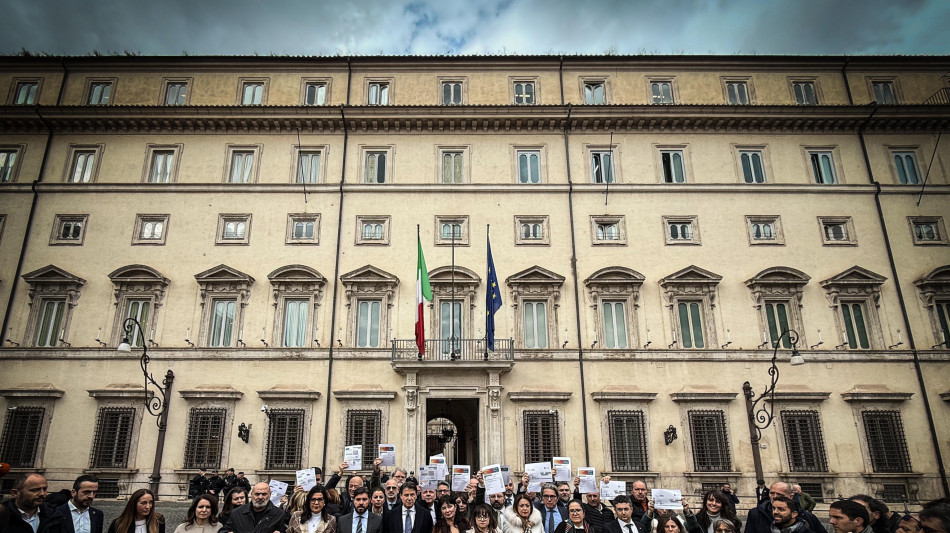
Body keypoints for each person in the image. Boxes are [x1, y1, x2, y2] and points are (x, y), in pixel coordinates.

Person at [0, 473, 65, 533]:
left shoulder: (55, 516)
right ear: (15, 493)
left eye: (44, 489)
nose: (42, 494)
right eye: (35, 490)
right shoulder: (4, 516)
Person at [745, 483, 821, 533]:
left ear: (791, 496)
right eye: (772, 493)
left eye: (779, 494)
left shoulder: (806, 516)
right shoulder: (755, 514)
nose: (774, 497)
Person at [222, 482, 286, 533]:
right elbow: (224, 530)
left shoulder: (279, 514)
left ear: (270, 494)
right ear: (251, 494)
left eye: (264, 494)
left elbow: (284, 530)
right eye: (257, 494)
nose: (260, 497)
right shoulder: (237, 512)